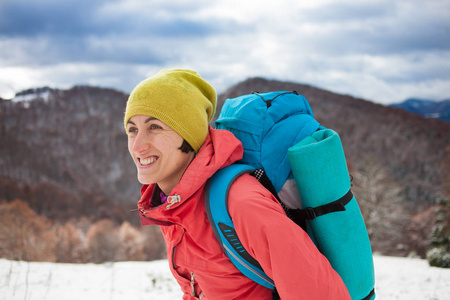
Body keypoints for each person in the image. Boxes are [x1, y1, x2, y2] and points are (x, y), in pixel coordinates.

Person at [124, 68, 351, 299]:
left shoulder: (241, 203)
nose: (137, 145)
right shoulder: (173, 204)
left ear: (189, 136)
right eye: (132, 130)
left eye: (155, 127)